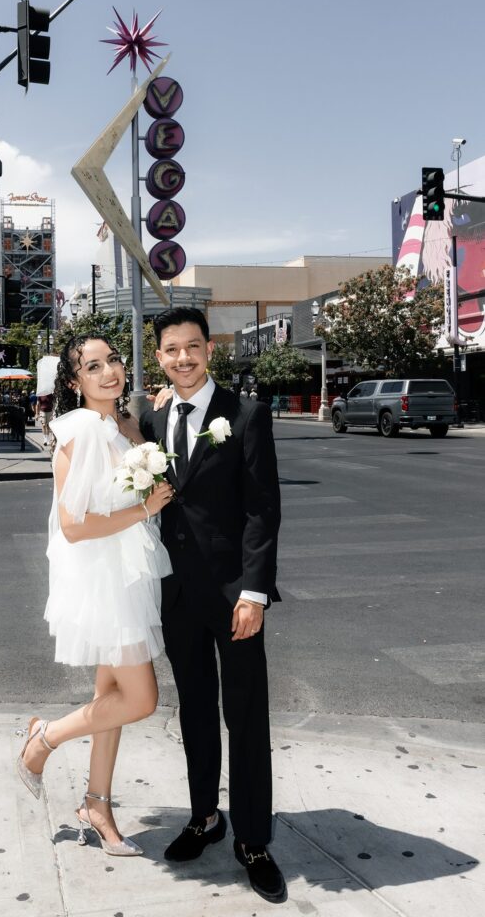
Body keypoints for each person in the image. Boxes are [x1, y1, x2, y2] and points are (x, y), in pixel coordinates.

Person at [140, 306, 285, 904]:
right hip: (176, 595)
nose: (183, 359)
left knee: (245, 716)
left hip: (233, 597)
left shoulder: (245, 414)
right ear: (159, 357)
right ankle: (205, 817)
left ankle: (253, 839)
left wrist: (254, 591)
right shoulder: (150, 420)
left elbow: (261, 509)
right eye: (171, 350)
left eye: (192, 347)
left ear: (209, 349)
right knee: (195, 711)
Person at [17, 335, 174, 856]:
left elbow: (132, 444)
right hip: (106, 580)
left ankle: (97, 804)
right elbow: (73, 526)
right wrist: (145, 510)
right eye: (93, 366)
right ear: (73, 381)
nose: (109, 371)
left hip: (125, 574)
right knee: (140, 699)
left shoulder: (114, 424)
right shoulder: (83, 428)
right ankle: (43, 739)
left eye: (113, 361)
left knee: (111, 701)